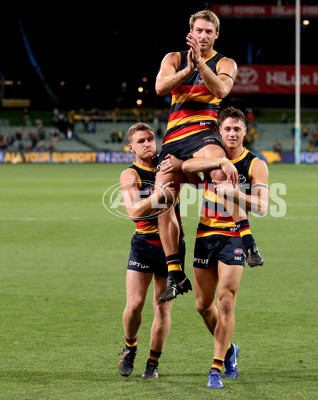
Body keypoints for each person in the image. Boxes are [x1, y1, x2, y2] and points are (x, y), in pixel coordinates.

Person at [154, 9, 263, 303]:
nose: (203, 36)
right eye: (198, 31)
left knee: (221, 174)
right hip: (174, 137)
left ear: (216, 35)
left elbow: (222, 89)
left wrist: (201, 65)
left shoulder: (225, 62)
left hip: (204, 130)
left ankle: (248, 240)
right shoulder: (174, 58)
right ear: (190, 33)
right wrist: (188, 69)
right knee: (163, 198)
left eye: (208, 32)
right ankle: (176, 273)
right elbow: (160, 87)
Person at [161, 106, 269, 389]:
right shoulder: (210, 154)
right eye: (227, 129)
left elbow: (263, 206)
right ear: (219, 132)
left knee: (226, 301)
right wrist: (216, 164)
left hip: (233, 236)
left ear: (245, 132)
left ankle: (216, 368)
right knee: (203, 306)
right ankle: (230, 349)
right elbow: (186, 167)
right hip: (205, 235)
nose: (232, 133)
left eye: (237, 129)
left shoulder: (255, 164)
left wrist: (236, 193)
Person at [117, 122, 186, 380]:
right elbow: (133, 212)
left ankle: (153, 363)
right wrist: (158, 197)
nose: (148, 143)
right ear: (131, 147)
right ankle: (130, 347)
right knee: (134, 305)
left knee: (163, 309)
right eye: (142, 140)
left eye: (151, 139)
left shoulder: (169, 165)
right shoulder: (129, 174)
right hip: (144, 244)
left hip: (172, 246)